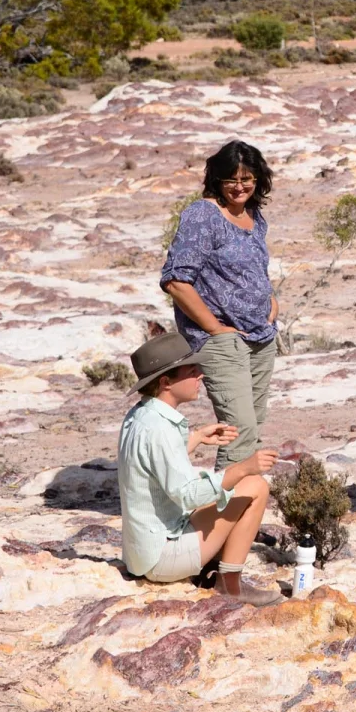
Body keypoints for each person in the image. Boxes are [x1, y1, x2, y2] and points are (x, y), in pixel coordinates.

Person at [118, 331, 282, 606]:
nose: (200, 375)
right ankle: (230, 585)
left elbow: (150, 463)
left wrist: (195, 438)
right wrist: (243, 468)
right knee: (255, 486)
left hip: (141, 554)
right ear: (166, 382)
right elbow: (189, 495)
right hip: (163, 558)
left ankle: (216, 570)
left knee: (233, 487)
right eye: (191, 370)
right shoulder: (160, 429)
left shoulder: (139, 416)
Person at [160, 140, 279, 469]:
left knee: (252, 431)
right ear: (217, 179)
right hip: (221, 341)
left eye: (247, 179)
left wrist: (271, 302)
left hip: (261, 337)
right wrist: (215, 329)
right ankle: (219, 516)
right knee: (238, 432)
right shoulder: (203, 215)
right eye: (231, 179)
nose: (239, 187)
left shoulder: (254, 216)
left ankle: (244, 511)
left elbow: (253, 268)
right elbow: (175, 280)